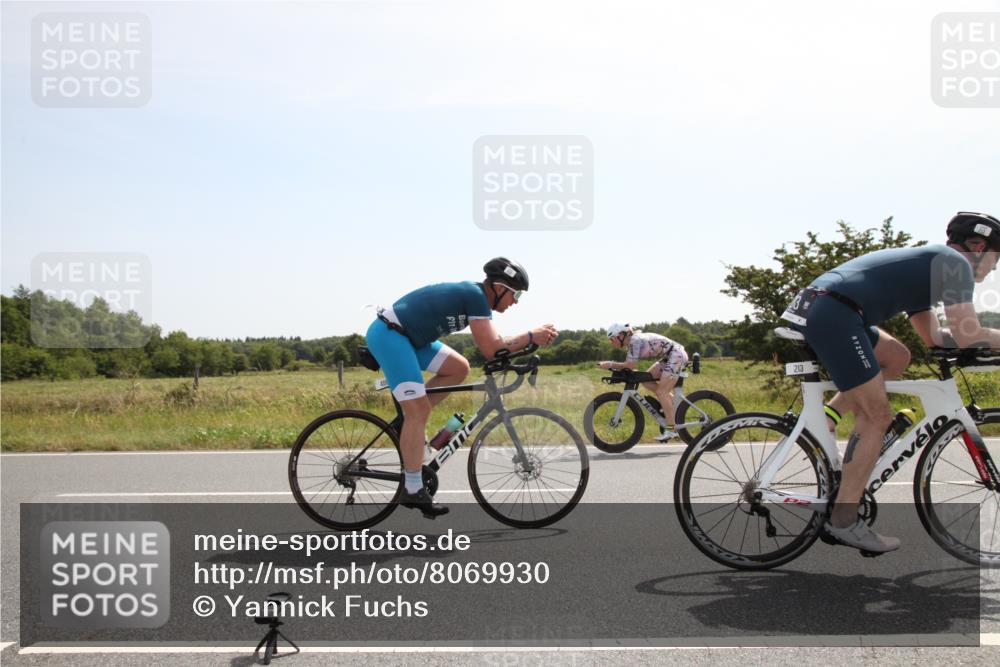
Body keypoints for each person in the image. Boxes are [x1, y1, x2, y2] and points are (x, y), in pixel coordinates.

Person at [782, 211, 1000, 553]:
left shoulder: (934, 268)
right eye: (996, 258)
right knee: (877, 417)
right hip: (835, 312)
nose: (994, 268)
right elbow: (966, 333)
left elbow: (936, 338)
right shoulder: (955, 264)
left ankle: (828, 418)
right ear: (979, 246)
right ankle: (844, 521)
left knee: (897, 357)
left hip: (827, 307)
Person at [364, 258, 559, 518]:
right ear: (499, 287)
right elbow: (492, 348)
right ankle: (412, 488)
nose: (516, 302)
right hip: (391, 336)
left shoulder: (478, 298)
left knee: (458, 368)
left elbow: (497, 346)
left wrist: (525, 347)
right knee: (418, 411)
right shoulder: (475, 296)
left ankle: (410, 425)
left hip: (410, 338)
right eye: (516, 294)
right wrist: (531, 336)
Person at [599, 324, 689, 442]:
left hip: (676, 355)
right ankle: (671, 405)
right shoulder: (632, 342)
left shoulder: (634, 340)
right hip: (668, 357)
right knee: (646, 380)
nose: (611, 342)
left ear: (621, 335)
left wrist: (610, 364)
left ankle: (671, 430)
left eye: (612, 339)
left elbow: (629, 365)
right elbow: (629, 365)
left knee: (662, 392)